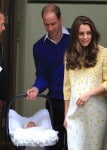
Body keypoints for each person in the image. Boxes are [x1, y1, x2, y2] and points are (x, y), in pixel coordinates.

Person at [27, 4, 70, 150]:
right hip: (54, 102)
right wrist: (35, 88)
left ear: (60, 19)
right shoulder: (38, 47)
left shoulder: (75, 38)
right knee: (52, 144)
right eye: (46, 24)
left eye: (53, 23)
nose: (50, 28)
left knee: (75, 143)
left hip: (76, 100)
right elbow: (42, 76)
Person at [63, 15, 107, 150]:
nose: (85, 37)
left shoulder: (103, 53)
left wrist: (88, 93)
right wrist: (66, 116)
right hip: (75, 115)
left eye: (88, 33)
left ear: (93, 34)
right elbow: (67, 88)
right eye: (81, 33)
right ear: (75, 35)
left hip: (97, 115)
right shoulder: (68, 55)